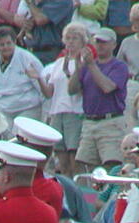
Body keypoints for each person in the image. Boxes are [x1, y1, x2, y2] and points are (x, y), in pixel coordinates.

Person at [69, 27, 128, 173]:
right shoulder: (87, 66)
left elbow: (107, 87)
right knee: (82, 164)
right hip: (89, 122)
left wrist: (91, 65)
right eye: (97, 42)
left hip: (110, 122)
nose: (100, 45)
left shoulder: (119, 66)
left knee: (111, 165)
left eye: (104, 42)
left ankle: (108, 194)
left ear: (114, 45)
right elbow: (71, 90)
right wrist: (78, 68)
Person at [41, 22, 88, 177]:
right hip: (57, 111)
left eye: (75, 38)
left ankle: (76, 186)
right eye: (68, 38)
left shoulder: (84, 62)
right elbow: (49, 92)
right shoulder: (59, 63)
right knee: (60, 155)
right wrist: (37, 78)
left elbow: (79, 90)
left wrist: (70, 74)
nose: (71, 42)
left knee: (73, 154)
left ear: (82, 41)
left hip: (74, 111)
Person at [0, 26, 45, 123]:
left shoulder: (27, 58)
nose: (5, 47)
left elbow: (42, 86)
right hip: (4, 110)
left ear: (14, 42)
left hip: (28, 108)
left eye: (8, 43)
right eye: (2, 44)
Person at [14, 0, 73, 64]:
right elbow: (18, 18)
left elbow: (40, 19)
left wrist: (30, 2)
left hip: (49, 53)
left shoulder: (63, 1)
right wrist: (21, 21)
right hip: (30, 50)